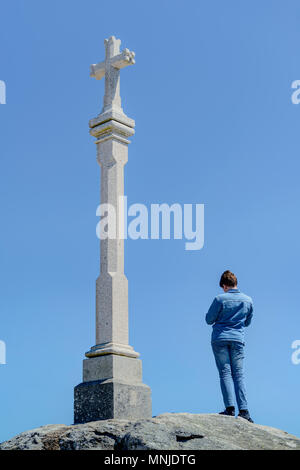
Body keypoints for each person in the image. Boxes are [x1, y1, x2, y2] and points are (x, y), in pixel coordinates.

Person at [205, 270, 254, 422]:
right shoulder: (248, 300)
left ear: (225, 286)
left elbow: (209, 319)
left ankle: (230, 408)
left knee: (225, 373)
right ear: (236, 283)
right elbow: (247, 322)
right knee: (239, 374)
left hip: (220, 338)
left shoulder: (220, 299)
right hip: (238, 340)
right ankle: (244, 411)